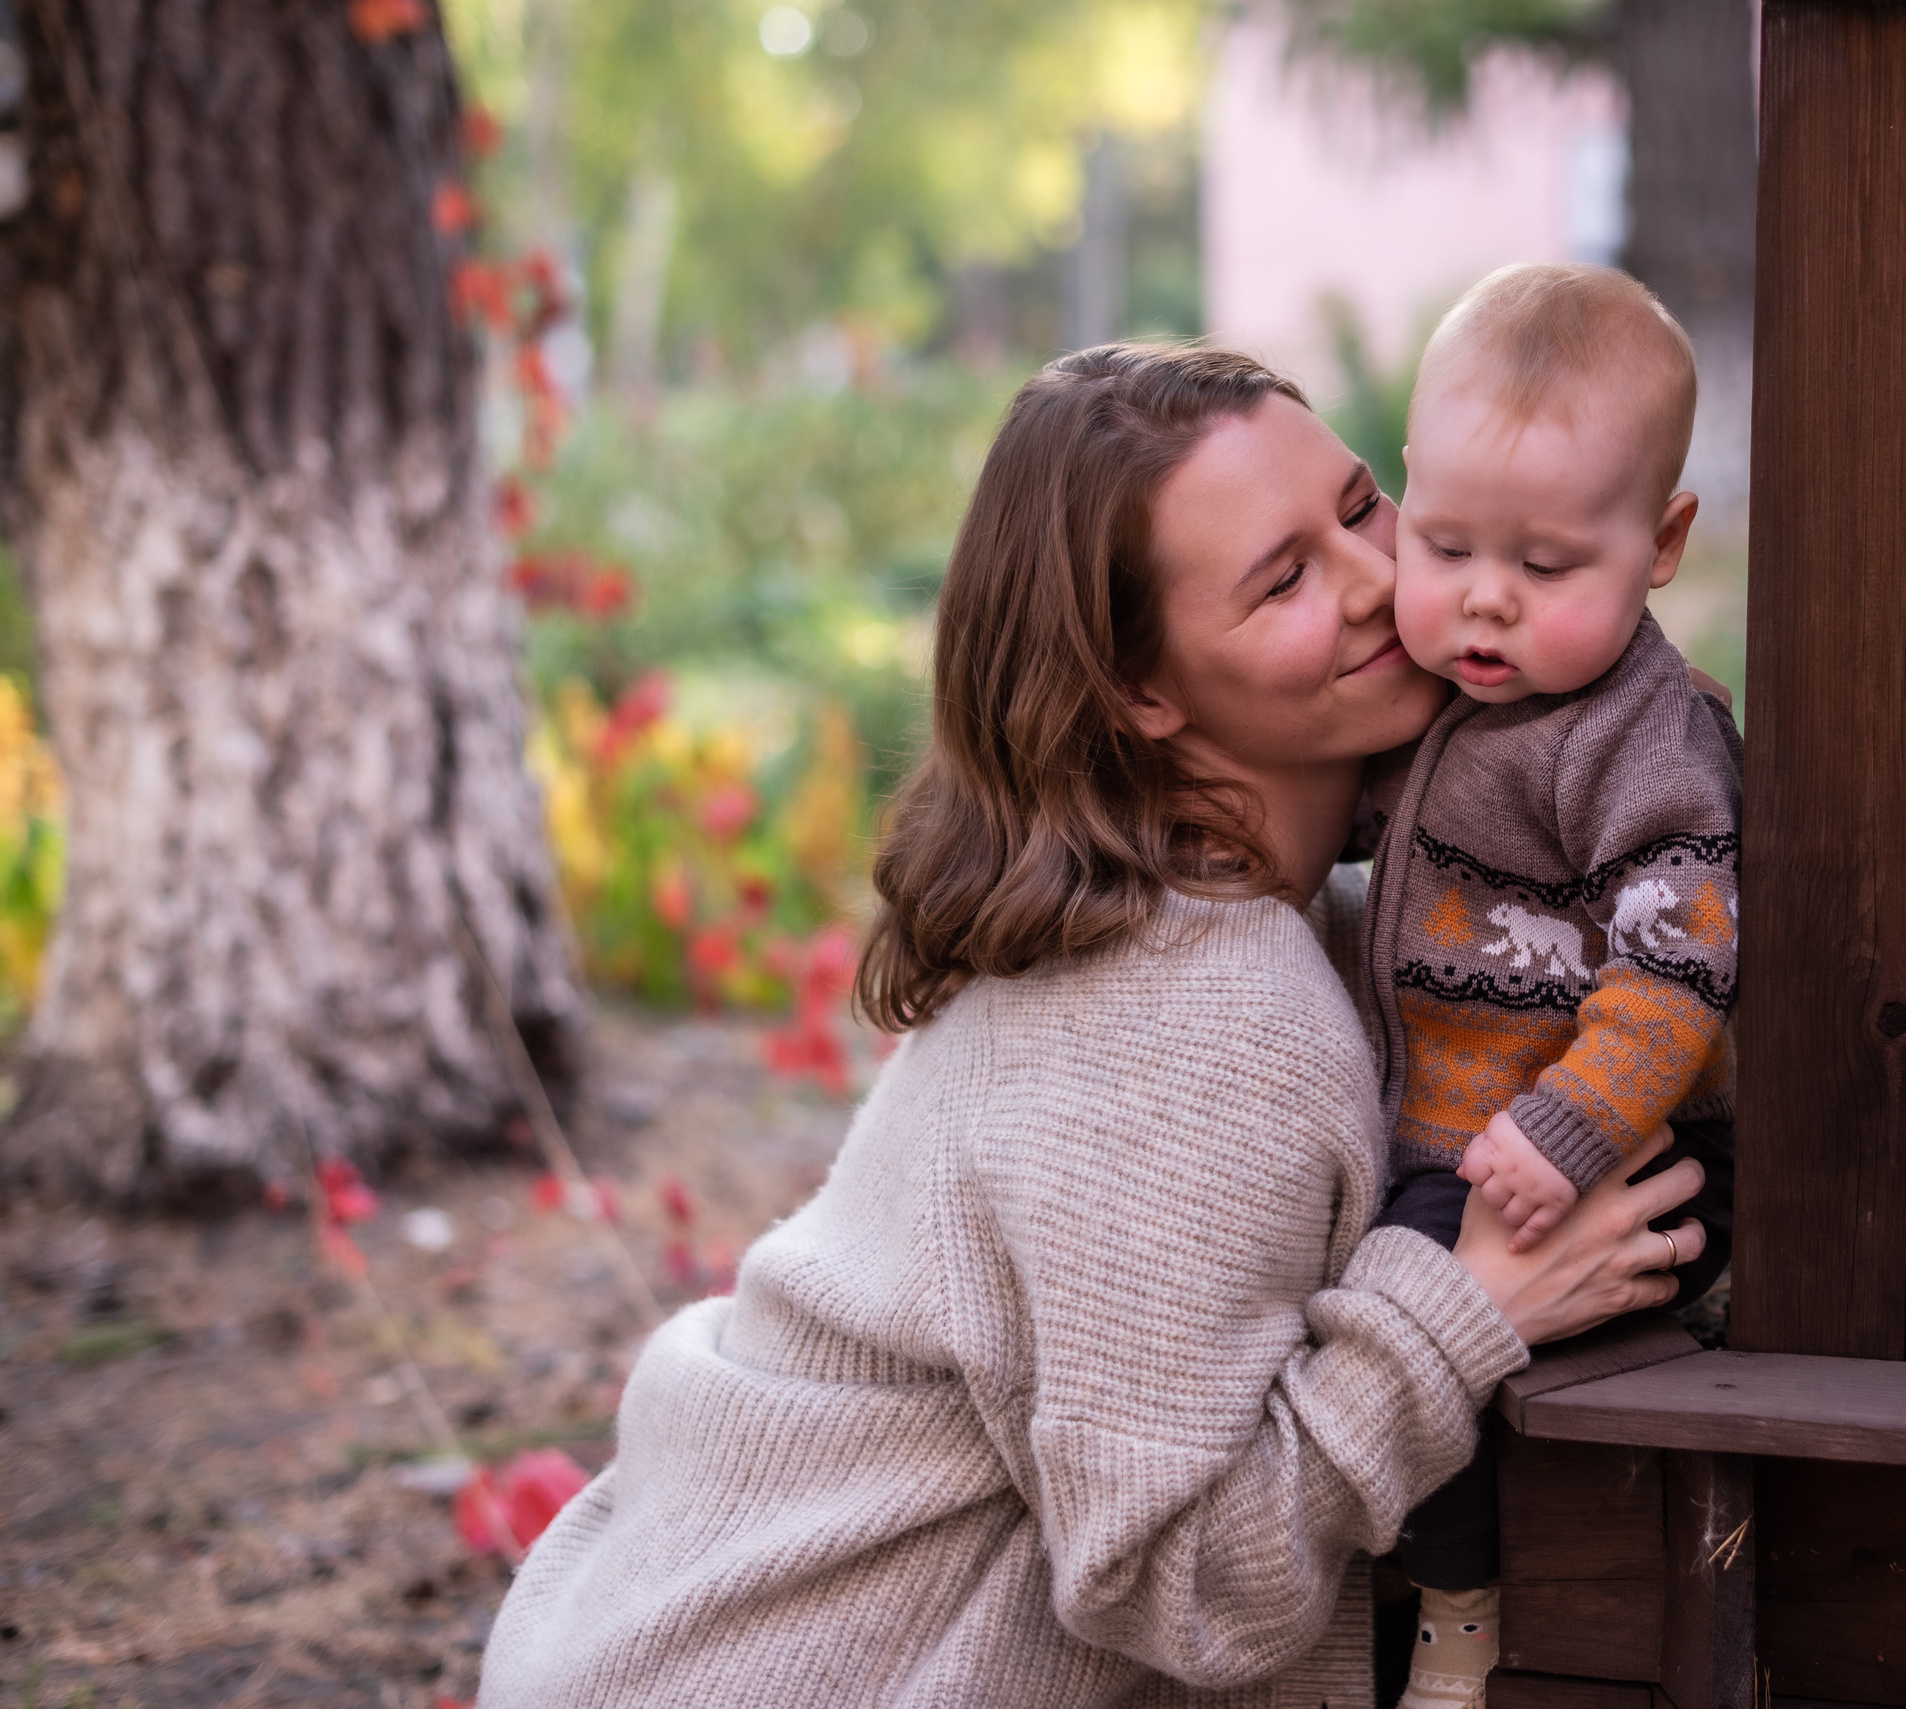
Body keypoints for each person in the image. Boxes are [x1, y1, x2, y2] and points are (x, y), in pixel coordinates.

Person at [472, 343, 1711, 1709]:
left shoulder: (1219, 918)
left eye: (1361, 508)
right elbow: (1182, 1584)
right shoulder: (1198, 1022)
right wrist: (1460, 1307)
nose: (1377, 581)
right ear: (1144, 691)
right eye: (1284, 577)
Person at [1360, 264, 1744, 1709]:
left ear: (1661, 542)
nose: (1483, 600)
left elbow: (1682, 950)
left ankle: (1456, 1605)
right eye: (1445, 543)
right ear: (1408, 491)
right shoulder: (1456, 696)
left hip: (1614, 1148)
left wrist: (1582, 1119)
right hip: (1468, 1130)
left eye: (1545, 566)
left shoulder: (1643, 738)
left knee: (1410, 1288)